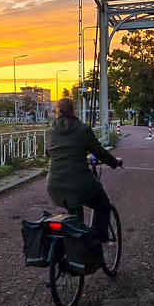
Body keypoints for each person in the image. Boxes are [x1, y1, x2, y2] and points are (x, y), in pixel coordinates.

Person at [46, 98, 122, 240]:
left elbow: (49, 155)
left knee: (74, 215)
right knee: (103, 206)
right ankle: (95, 241)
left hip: (54, 183)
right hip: (79, 183)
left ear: (57, 112)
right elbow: (99, 152)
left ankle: (71, 252)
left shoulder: (50, 132)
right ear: (73, 111)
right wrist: (114, 163)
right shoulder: (83, 130)